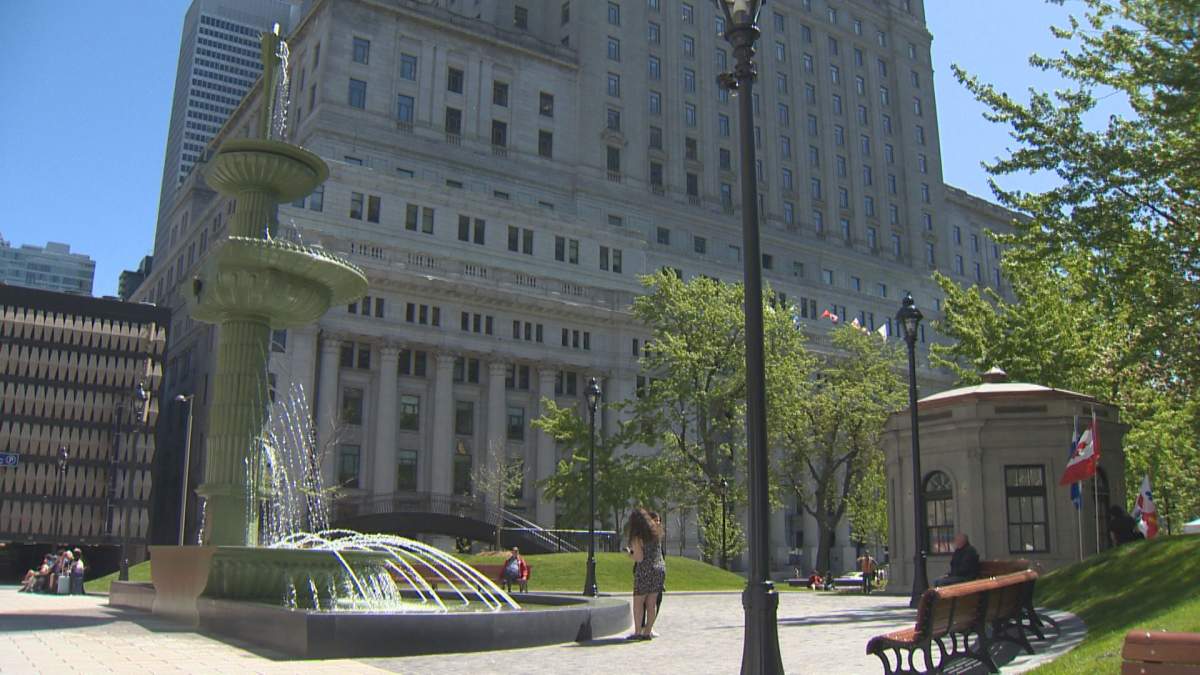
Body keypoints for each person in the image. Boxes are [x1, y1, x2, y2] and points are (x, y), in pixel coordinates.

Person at [624, 508, 666, 641]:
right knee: (651, 603)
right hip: (659, 569)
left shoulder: (638, 537)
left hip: (645, 570)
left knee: (638, 603)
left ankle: (637, 632)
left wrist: (629, 553)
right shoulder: (656, 532)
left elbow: (639, 557)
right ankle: (647, 632)